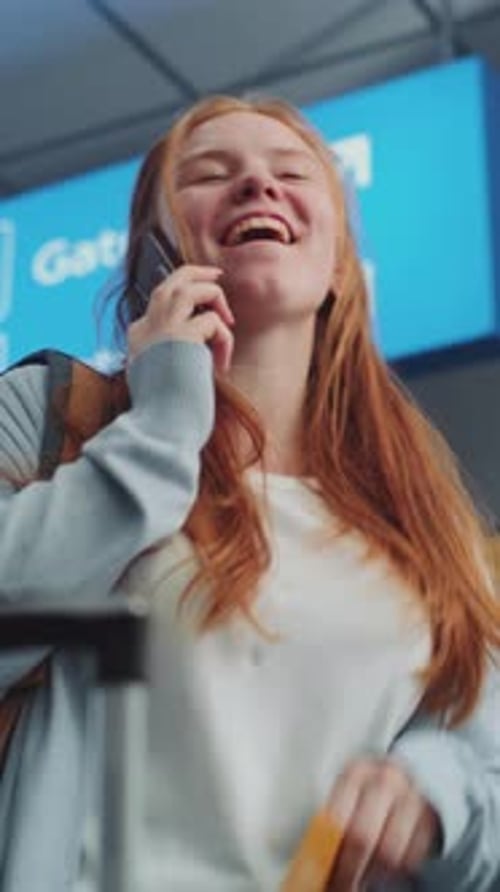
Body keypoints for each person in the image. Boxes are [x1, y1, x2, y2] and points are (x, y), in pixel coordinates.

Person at [0, 94, 499, 892]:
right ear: (153, 256)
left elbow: (487, 780)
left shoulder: (420, 516)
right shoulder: (51, 419)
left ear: (340, 263)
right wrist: (164, 425)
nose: (258, 186)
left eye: (291, 173)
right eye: (210, 173)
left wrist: (437, 791)